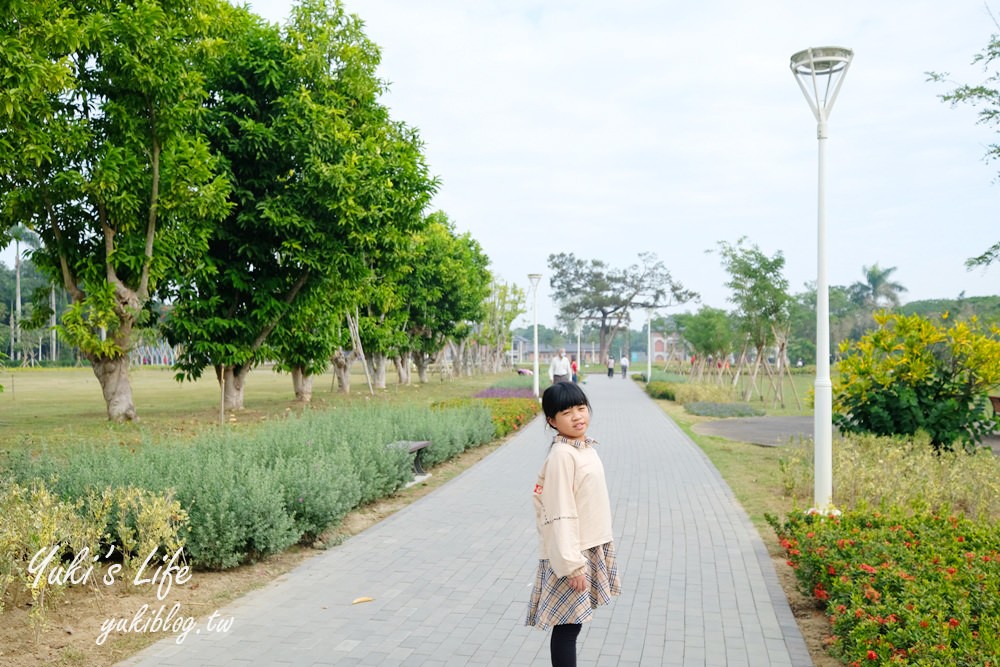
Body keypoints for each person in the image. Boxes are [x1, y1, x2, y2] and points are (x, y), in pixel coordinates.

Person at [526, 382, 621, 667]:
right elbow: (560, 513)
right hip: (572, 554)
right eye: (567, 412)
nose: (578, 416)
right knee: (567, 627)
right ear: (552, 421)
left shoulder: (582, 448)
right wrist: (572, 565)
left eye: (581, 408)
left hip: (585, 547)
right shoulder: (562, 456)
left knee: (571, 624)